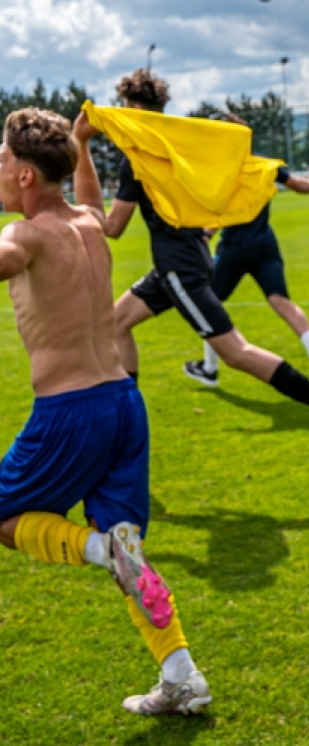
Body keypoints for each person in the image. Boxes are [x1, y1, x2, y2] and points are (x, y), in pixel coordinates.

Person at [0, 107, 211, 715]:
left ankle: (99, 550)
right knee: (129, 545)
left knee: (5, 519)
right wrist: (84, 142)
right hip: (124, 403)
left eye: (3, 159)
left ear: (24, 178)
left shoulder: (23, 236)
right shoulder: (90, 222)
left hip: (69, 411)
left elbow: (7, 259)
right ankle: (182, 677)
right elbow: (87, 195)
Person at [72, 69, 309, 457]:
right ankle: (128, 428)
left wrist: (81, 146)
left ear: (137, 110)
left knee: (235, 352)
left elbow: (112, 227)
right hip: (180, 263)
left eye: (125, 109)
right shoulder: (179, 150)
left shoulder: (140, 161)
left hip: (180, 270)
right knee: (116, 323)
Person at [184, 115, 309, 389]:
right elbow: (297, 184)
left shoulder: (223, 171)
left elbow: (219, 211)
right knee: (281, 301)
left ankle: (210, 369)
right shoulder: (265, 165)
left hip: (233, 247)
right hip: (265, 243)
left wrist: (205, 234)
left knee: (209, 305)